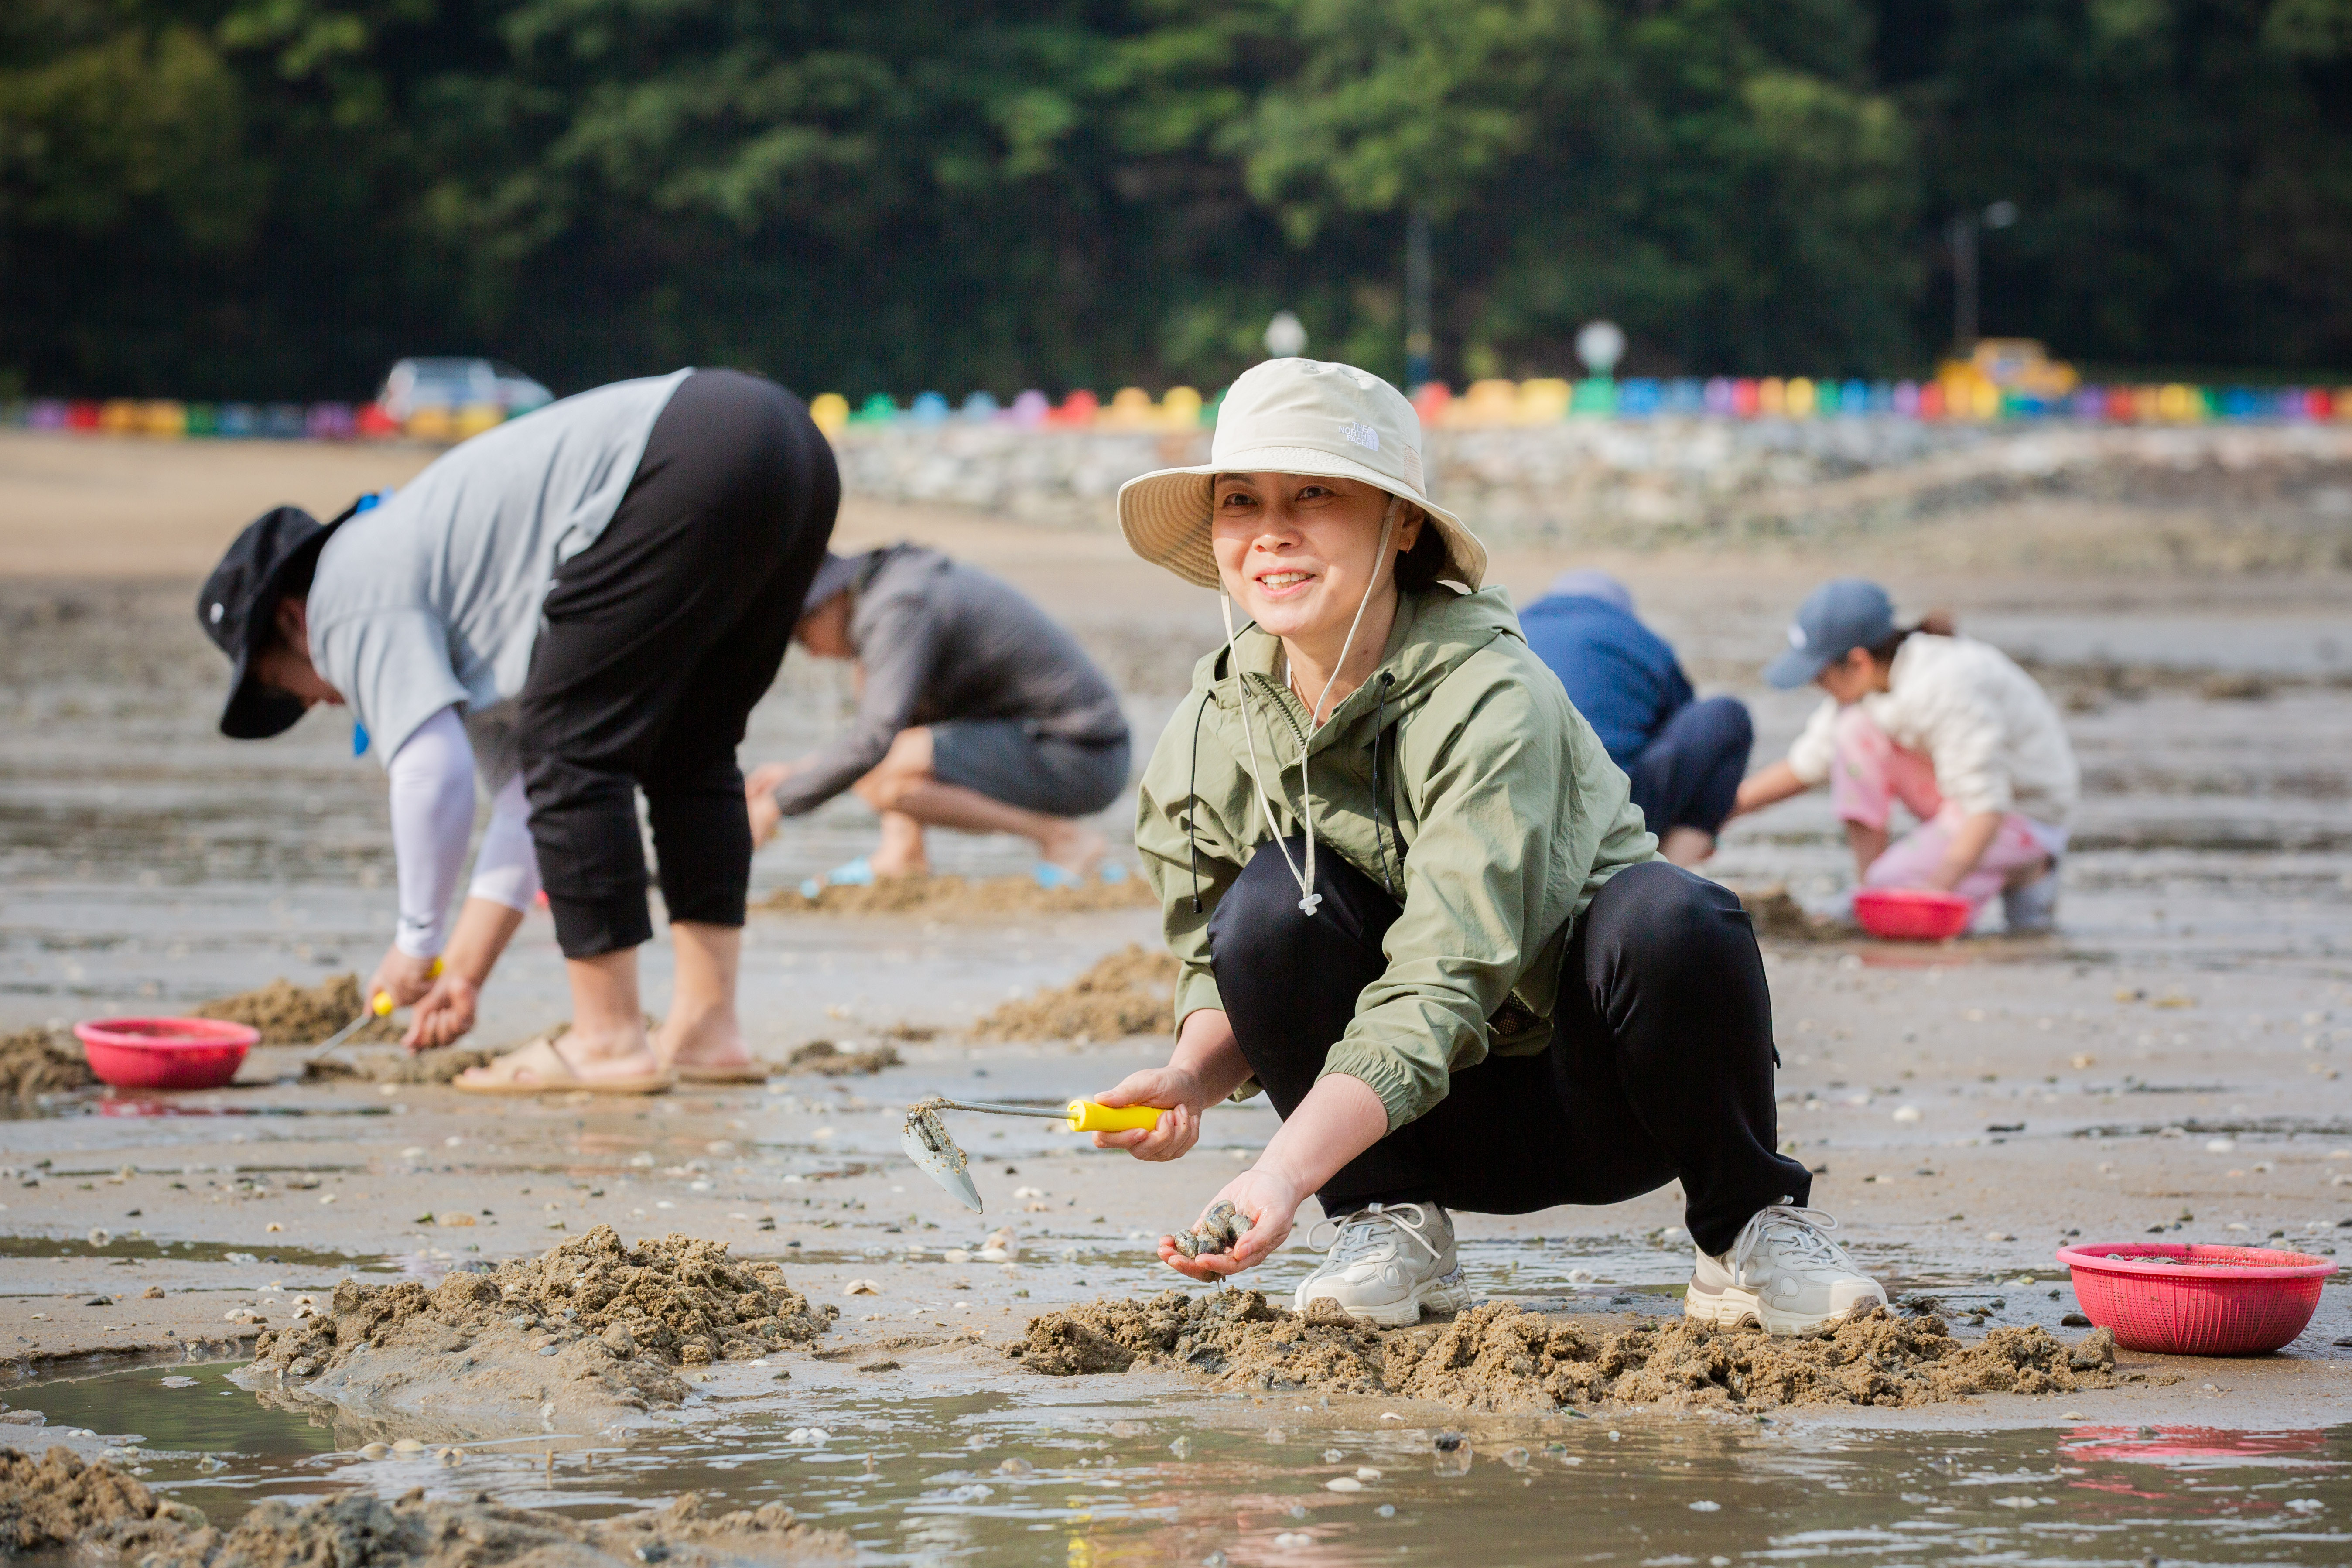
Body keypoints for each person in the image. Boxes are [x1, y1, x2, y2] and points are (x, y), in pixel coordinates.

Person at [1080, 356, 1885, 1334]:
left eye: (1315, 494)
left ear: (1401, 522)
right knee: (1264, 901)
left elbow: (1447, 975)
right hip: (1400, 1127)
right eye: (1240, 501)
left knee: (1669, 911)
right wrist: (1190, 1077)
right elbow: (1221, 969)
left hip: (1605, 1101)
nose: (1272, 532)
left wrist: (1278, 1171)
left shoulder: (1490, 695)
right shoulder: (1211, 728)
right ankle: (1385, 1224)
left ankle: (1748, 1229)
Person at [198, 368, 838, 1090]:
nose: (317, 704)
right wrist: (461, 973)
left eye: (288, 685)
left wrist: (415, 941)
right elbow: (526, 804)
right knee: (691, 751)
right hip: (786, 445)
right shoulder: (448, 604)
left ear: (291, 621)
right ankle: (706, 1032)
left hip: (684, 450)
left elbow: (430, 772)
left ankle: (606, 1039)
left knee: (572, 752)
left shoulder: (341, 591)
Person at [744, 545, 1131, 884]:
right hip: (1045, 741)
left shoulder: (899, 608)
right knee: (877, 703)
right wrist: (800, 772)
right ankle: (902, 854)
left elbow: (875, 743)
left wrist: (778, 802)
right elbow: (886, 730)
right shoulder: (895, 587)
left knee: (880, 773)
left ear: (826, 602)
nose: (808, 652)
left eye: (797, 636)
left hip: (1083, 756)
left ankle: (1063, 840)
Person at [1729, 579, 2075, 931]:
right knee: (1852, 731)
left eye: (1819, 676)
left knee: (1894, 885)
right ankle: (1872, 889)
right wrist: (1717, 813)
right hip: (1964, 805)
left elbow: (1987, 806)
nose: (1815, 686)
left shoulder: (1944, 687)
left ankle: (2028, 868)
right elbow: (1806, 765)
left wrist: (1932, 892)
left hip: (2025, 815)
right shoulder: (1872, 687)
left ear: (1859, 662)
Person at [1518, 569, 1753, 866]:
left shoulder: (1509, 631)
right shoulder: (1643, 641)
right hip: (1606, 820)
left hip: (1512, 818)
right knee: (1726, 718)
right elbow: (1683, 734)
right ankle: (1666, 881)